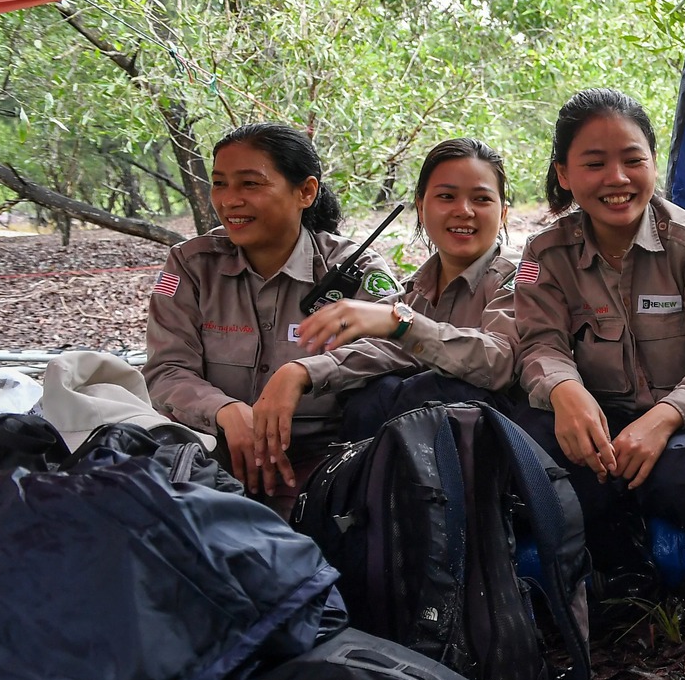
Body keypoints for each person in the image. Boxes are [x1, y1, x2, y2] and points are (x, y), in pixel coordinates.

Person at [511, 88, 685, 599]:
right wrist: (565, 391)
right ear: (564, 174)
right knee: (529, 438)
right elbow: (538, 344)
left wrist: (662, 419)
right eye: (594, 163)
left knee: (683, 469)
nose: (617, 179)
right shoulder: (546, 252)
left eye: (633, 160)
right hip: (599, 421)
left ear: (654, 162)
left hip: (684, 426)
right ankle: (621, 553)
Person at [146, 122, 399, 499]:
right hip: (209, 460)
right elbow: (167, 369)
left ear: (306, 191)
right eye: (219, 183)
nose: (229, 200)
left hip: (328, 467)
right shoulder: (192, 265)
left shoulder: (352, 270)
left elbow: (397, 345)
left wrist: (303, 372)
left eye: (250, 184)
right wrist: (225, 411)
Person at [250, 138, 518, 441]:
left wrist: (400, 323)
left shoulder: (518, 279)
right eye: (446, 196)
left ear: (503, 212)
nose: (463, 211)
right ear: (421, 206)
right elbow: (388, 350)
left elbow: (501, 360)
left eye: (481, 199)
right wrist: (302, 371)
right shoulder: (418, 288)